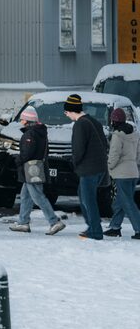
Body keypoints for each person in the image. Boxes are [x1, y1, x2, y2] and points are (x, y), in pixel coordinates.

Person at [8, 106, 66, 235]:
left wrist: (18, 159)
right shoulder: (40, 132)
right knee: (26, 196)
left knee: (38, 197)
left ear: (28, 120)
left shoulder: (31, 133)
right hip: (36, 168)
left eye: (23, 119)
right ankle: (23, 222)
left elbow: (28, 153)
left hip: (31, 170)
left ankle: (54, 221)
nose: (21, 121)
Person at [65, 93, 110, 240]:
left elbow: (78, 149)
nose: (66, 115)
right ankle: (92, 226)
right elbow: (105, 144)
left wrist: (75, 163)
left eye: (66, 112)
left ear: (71, 111)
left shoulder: (80, 124)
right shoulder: (94, 122)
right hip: (99, 167)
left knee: (88, 200)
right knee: (84, 196)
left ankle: (95, 231)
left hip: (89, 169)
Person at [104, 107, 140, 239]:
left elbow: (114, 155)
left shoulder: (117, 136)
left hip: (122, 174)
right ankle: (115, 227)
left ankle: (139, 229)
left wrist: (109, 168)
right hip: (133, 172)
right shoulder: (134, 135)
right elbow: (138, 155)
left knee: (128, 203)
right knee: (120, 202)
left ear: (113, 121)